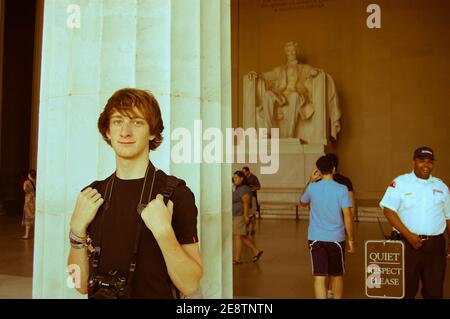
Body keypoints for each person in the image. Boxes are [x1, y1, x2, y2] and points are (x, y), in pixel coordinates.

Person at [68, 88, 202, 298]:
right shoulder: (92, 194)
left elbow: (190, 285)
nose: (125, 132)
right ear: (107, 131)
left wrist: (164, 233)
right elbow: (78, 285)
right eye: (118, 121)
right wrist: (76, 229)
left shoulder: (176, 195)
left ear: (152, 132)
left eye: (137, 122)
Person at [379, 146, 450, 299]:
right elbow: (388, 210)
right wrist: (408, 235)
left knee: (435, 290)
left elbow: (448, 217)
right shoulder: (400, 183)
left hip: (435, 246)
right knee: (404, 291)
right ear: (413, 162)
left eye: (430, 162)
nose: (426, 165)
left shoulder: (441, 187)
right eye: (421, 161)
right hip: (406, 243)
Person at [299, 156, 354, 299]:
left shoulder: (312, 187)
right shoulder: (342, 189)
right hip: (336, 239)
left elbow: (302, 202)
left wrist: (310, 181)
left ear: (319, 170)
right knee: (336, 275)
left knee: (319, 277)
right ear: (334, 169)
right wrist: (351, 240)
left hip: (315, 238)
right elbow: (348, 216)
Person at [324, 153, 356, 298]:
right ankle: (331, 289)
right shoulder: (345, 182)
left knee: (322, 261)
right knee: (336, 261)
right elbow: (351, 207)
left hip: (321, 226)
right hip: (339, 226)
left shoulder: (319, 181)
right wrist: (350, 231)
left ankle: (326, 288)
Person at [232, 170, 263, 264]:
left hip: (240, 215)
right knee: (241, 236)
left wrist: (246, 216)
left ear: (242, 178)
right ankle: (256, 251)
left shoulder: (244, 189)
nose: (234, 179)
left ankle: (237, 259)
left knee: (238, 236)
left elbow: (246, 203)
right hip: (235, 215)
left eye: (236, 177)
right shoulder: (237, 188)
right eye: (234, 177)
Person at [242, 166, 261, 235]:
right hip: (245, 198)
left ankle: (253, 229)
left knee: (253, 214)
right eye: (243, 172)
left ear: (248, 171)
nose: (243, 173)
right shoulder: (243, 178)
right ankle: (246, 229)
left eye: (244, 172)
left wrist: (252, 188)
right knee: (246, 213)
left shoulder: (254, 177)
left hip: (252, 198)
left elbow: (259, 187)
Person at [21, 169, 36, 239]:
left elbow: (25, 190)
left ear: (29, 175)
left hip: (28, 201)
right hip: (35, 200)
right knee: (35, 217)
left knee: (28, 217)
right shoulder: (36, 182)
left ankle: (26, 235)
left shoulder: (26, 182)